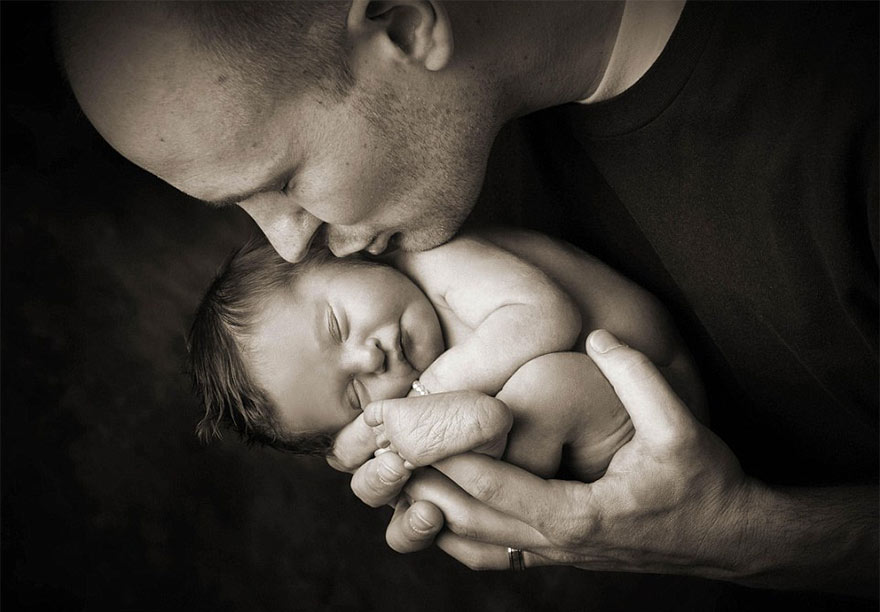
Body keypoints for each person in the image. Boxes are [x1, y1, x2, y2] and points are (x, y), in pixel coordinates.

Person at [56, 0, 877, 599]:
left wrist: (750, 540)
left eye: (281, 182)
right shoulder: (424, 191)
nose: (286, 244)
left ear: (408, 24)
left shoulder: (843, 109)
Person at [188, 228, 704, 483]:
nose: (369, 359)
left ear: (341, 255)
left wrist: (428, 393)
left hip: (660, 391)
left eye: (337, 325)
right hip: (621, 466)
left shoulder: (435, 259)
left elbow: (550, 316)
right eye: (355, 394)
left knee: (543, 387)